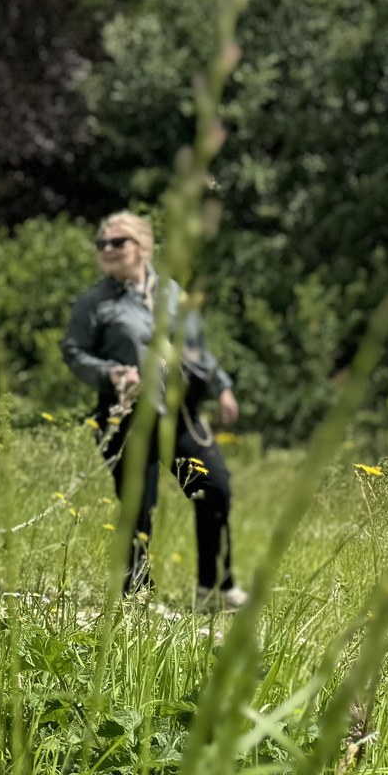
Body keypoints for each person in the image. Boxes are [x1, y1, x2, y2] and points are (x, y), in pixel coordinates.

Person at [62, 210, 245, 610]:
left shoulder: (172, 293)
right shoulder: (94, 303)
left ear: (143, 246)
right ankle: (137, 598)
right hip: (124, 417)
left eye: (118, 241)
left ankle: (214, 589)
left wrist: (223, 387)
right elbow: (73, 353)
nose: (108, 249)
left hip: (178, 417)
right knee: (138, 507)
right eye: (102, 244)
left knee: (213, 488)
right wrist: (110, 373)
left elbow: (197, 349)